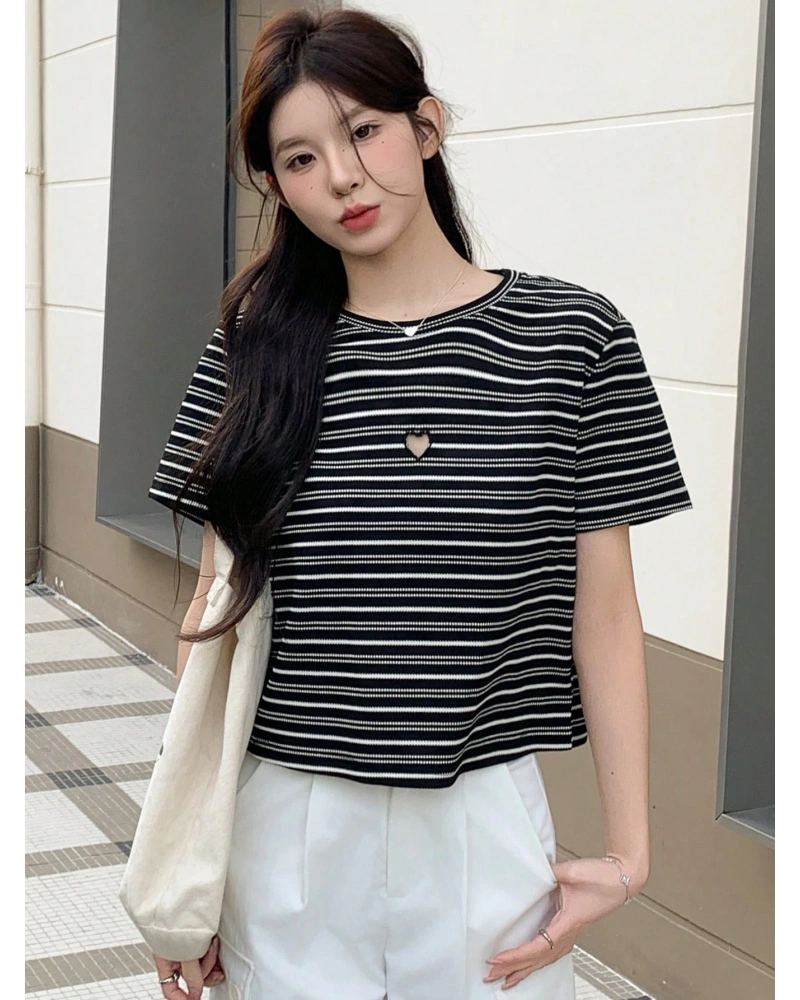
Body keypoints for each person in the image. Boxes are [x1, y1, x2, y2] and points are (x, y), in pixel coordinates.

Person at [146, 6, 693, 999]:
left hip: (483, 819)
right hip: (287, 823)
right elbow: (212, 611)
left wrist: (627, 854)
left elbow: (606, 612)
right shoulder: (253, 351)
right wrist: (189, 869)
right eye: (300, 159)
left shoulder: (573, 339)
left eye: (363, 131)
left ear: (426, 126)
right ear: (277, 185)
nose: (342, 177)